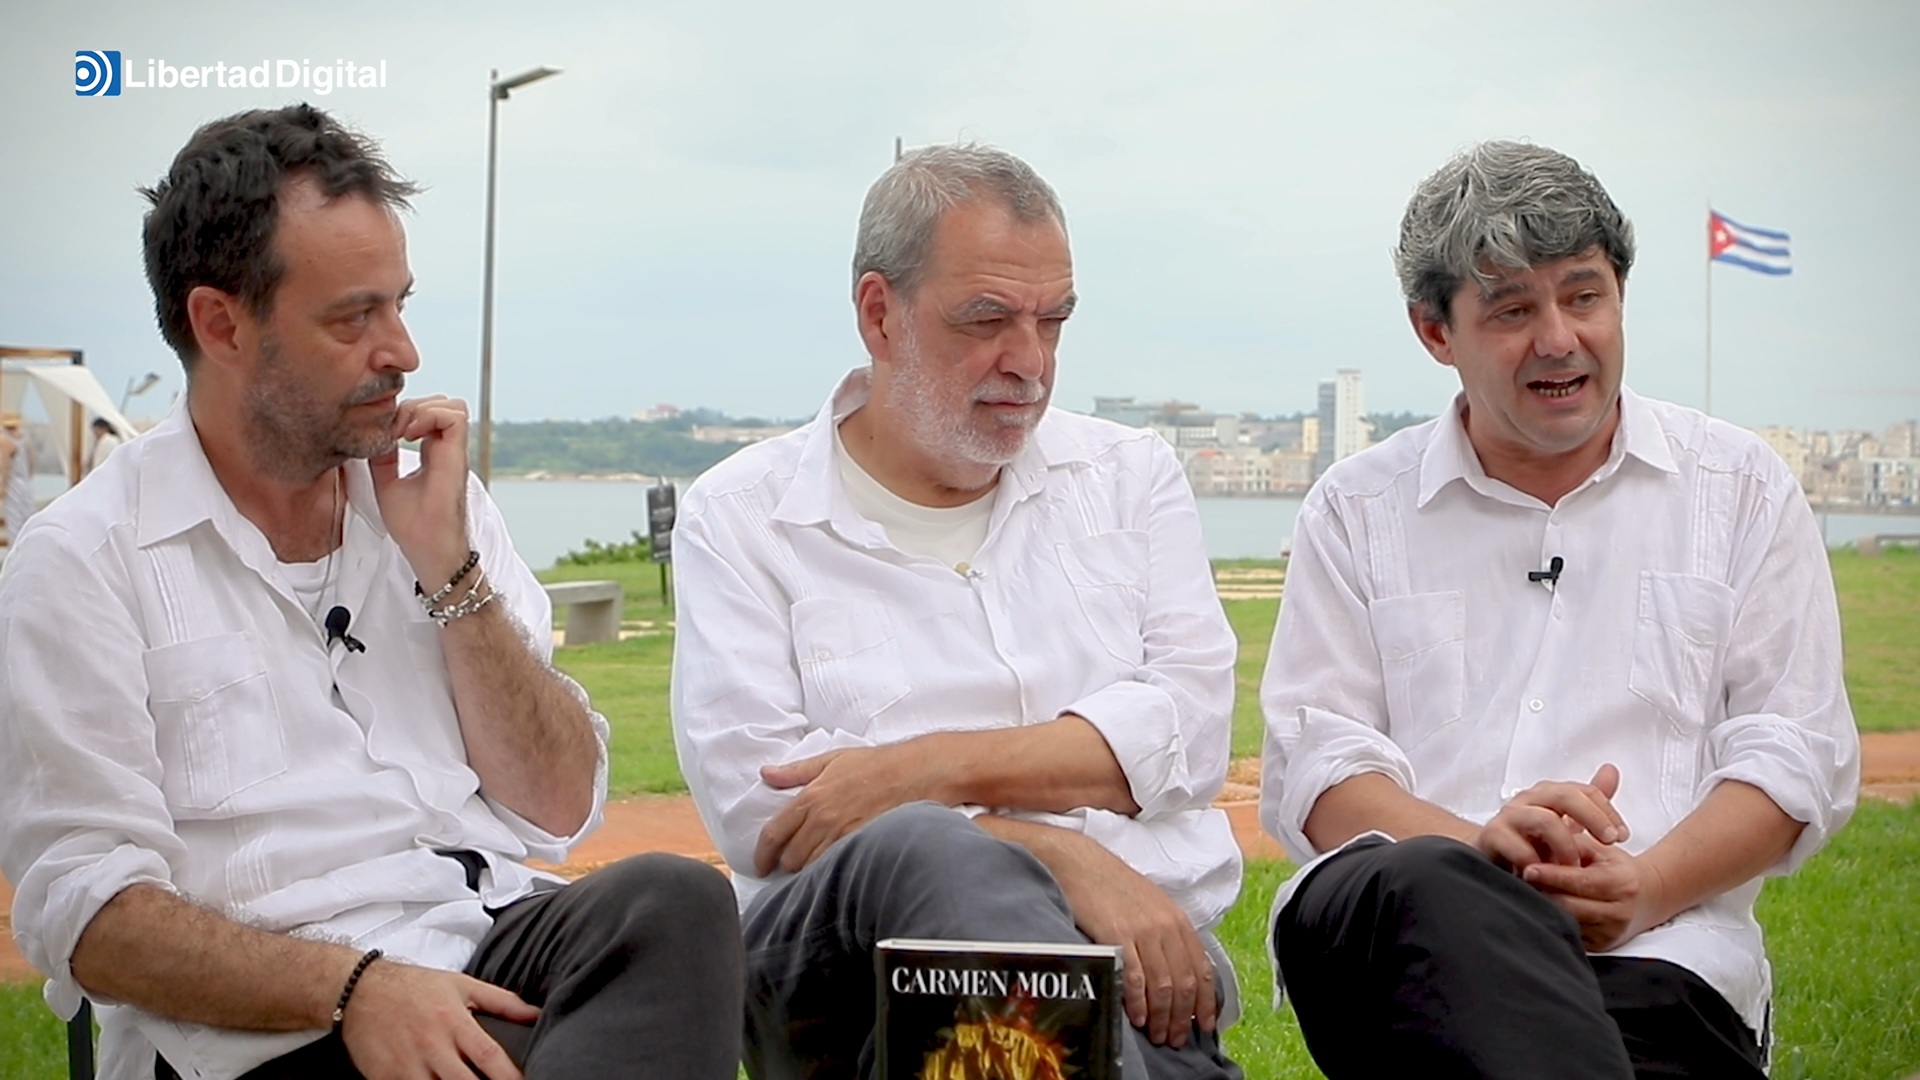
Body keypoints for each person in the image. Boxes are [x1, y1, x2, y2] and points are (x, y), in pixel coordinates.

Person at [0, 104, 743, 1080]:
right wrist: (357, 987)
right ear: (221, 324)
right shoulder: (84, 560)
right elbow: (90, 916)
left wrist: (449, 569)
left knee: (675, 901)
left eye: (400, 304)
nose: (403, 350)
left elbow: (561, 807)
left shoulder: (435, 506)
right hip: (271, 1028)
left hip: (484, 944)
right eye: (355, 317)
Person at [1258, 140, 1860, 1078]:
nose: (1558, 339)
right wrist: (1481, 859)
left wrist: (1643, 886)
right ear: (1434, 332)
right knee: (1428, 883)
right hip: (1406, 942)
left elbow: (1796, 754)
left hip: (1661, 957)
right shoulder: (1355, 508)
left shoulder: (1739, 489)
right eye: (1512, 310)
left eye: (1584, 297)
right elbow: (1320, 766)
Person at [671, 143, 1244, 1080]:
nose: (1030, 362)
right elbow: (767, 812)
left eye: (1052, 322)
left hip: (1141, 964)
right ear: (878, 313)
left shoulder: (1129, 478)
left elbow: (1190, 734)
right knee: (926, 851)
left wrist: (918, 769)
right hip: (841, 978)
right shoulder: (743, 516)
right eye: (986, 320)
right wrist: (1054, 855)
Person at [0, 409, 33, 544]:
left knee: (14, 520)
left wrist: (3, 485)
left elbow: (5, 465)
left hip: (13, 482)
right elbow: (32, 463)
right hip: (25, 482)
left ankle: (15, 550)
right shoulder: (25, 440)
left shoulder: (6, 441)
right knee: (26, 518)